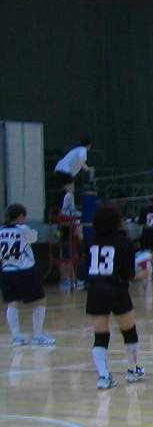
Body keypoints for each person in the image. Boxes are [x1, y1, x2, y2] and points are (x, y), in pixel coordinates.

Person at [83, 203, 143, 390]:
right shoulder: (123, 241)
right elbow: (128, 273)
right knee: (129, 331)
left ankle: (103, 376)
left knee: (100, 336)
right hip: (116, 289)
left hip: (95, 290)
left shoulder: (89, 241)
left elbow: (84, 269)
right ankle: (132, 370)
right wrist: (142, 274)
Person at [1, 204, 54, 346]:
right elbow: (34, 238)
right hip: (23, 270)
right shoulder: (23, 229)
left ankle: (17, 337)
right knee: (40, 300)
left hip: (6, 270)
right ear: (20, 216)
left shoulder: (1, 231)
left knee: (11, 302)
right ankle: (37, 335)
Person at [53, 139, 94, 216]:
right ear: (89, 145)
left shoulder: (76, 150)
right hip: (64, 170)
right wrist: (88, 169)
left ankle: (70, 209)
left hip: (59, 170)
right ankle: (65, 210)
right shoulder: (83, 150)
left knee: (70, 191)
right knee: (71, 190)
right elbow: (81, 161)